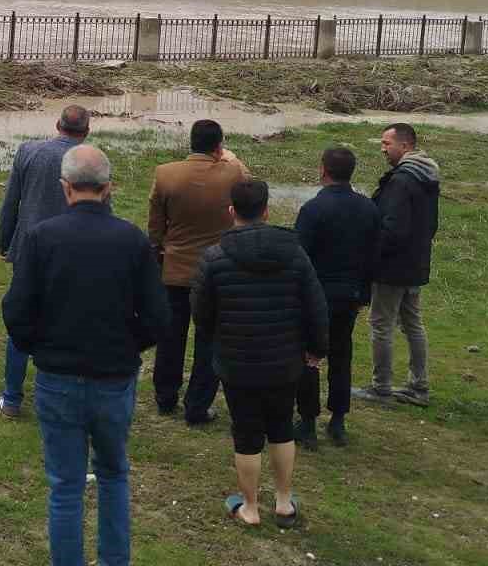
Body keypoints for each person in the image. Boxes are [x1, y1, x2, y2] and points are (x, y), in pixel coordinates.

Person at [2, 145, 170, 566]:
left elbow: (16, 310)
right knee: (113, 475)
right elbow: (157, 316)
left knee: (65, 485)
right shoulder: (132, 240)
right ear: (108, 188)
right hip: (114, 377)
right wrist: (130, 346)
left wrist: (38, 347)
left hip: (58, 376)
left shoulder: (42, 238)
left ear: (65, 188)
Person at [192, 178, 328, 531]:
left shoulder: (214, 257)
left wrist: (216, 342)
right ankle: (283, 502)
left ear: (231, 211)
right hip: (285, 360)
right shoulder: (295, 253)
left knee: (246, 432)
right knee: (281, 428)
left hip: (236, 360)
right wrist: (316, 350)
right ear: (266, 210)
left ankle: (250, 507)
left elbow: (202, 314)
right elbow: (316, 307)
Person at [147, 119, 249, 425]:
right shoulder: (233, 173)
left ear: (190, 142)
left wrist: (159, 248)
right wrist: (230, 157)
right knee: (209, 340)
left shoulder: (165, 174)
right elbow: (250, 184)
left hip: (175, 268)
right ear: (219, 146)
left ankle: (165, 397)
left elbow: (155, 224)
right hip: (216, 271)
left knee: (170, 336)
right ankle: (198, 404)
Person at [0, 105, 92, 418]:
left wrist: (5, 242)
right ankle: (63, 398)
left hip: (29, 251)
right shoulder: (91, 159)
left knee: (22, 321)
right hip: (75, 256)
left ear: (57, 124)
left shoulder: (29, 151)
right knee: (71, 325)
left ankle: (11, 398)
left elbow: (12, 201)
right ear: (86, 131)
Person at [292, 145, 381, 448]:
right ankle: (338, 420)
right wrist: (363, 293)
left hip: (317, 294)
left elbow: (299, 258)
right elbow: (373, 257)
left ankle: (306, 421)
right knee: (341, 354)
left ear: (323, 170)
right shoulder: (369, 208)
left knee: (309, 355)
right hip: (350, 295)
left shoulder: (313, 210)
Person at [354, 122, 441, 408]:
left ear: (405, 146)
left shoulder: (402, 181)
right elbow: (430, 225)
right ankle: (419, 386)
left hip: (392, 267)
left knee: (381, 324)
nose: (382, 149)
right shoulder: (427, 175)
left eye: (386, 144)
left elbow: (392, 229)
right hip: (416, 263)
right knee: (413, 324)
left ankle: (381, 387)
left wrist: (371, 257)